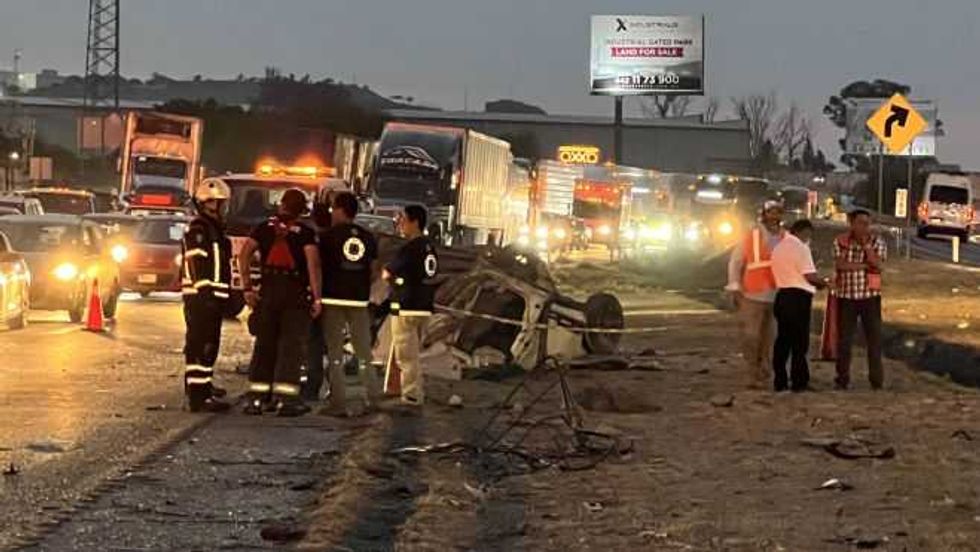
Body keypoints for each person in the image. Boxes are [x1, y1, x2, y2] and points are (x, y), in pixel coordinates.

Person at [239, 189, 322, 416]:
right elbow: (312, 265)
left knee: (265, 343)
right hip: (294, 295)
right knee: (291, 347)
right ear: (302, 209)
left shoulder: (264, 228)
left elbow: (244, 254)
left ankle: (257, 398)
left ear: (281, 205)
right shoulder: (305, 233)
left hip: (268, 292)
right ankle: (286, 400)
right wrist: (317, 297)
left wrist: (247, 287)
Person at [320, 192, 380, 415]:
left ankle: (338, 401)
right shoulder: (367, 237)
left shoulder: (327, 236)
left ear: (340, 210)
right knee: (364, 352)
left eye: (333, 208)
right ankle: (373, 398)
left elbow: (318, 266)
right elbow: (373, 270)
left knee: (335, 354)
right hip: (359, 300)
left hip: (333, 298)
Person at [180, 178, 233, 413]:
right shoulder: (199, 229)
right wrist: (206, 293)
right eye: (221, 204)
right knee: (200, 345)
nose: (224, 208)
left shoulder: (213, 228)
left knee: (209, 344)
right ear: (209, 204)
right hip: (202, 297)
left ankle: (204, 387)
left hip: (213, 296)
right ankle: (198, 396)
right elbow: (196, 262)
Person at [725, 201, 786, 389]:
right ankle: (752, 371)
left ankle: (763, 370)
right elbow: (736, 261)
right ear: (764, 215)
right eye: (771, 213)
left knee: (769, 338)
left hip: (776, 295)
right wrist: (734, 285)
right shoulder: (752, 235)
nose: (774, 217)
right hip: (752, 294)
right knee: (751, 336)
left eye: (778, 213)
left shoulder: (786, 237)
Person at [383, 205, 438, 406]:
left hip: (407, 304)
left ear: (415, 222)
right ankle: (411, 390)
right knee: (414, 354)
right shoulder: (429, 247)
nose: (400, 223)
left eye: (403, 219)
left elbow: (387, 272)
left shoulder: (409, 248)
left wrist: (392, 280)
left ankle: (412, 395)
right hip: (425, 304)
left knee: (406, 355)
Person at [770, 219, 828, 392]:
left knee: (782, 341)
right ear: (804, 232)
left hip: (782, 296)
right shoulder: (801, 248)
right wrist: (823, 282)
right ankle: (799, 381)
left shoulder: (779, 248)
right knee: (799, 343)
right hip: (798, 298)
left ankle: (779, 381)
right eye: (809, 234)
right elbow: (809, 276)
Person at [833, 209, 887, 390]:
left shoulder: (876, 241)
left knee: (874, 340)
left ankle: (876, 380)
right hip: (847, 296)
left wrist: (866, 246)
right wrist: (865, 265)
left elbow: (878, 265)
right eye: (861, 223)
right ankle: (842, 379)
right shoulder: (841, 241)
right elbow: (840, 265)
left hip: (869, 297)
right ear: (852, 223)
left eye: (867, 223)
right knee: (845, 341)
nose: (865, 227)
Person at [302, 189, 333, 402]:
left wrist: (315, 297)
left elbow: (312, 268)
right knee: (332, 345)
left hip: (315, 297)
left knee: (312, 343)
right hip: (334, 298)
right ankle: (333, 386)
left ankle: (312, 386)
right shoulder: (334, 238)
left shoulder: (309, 238)